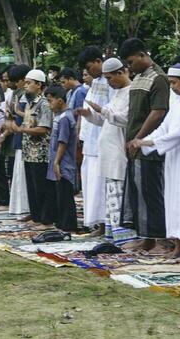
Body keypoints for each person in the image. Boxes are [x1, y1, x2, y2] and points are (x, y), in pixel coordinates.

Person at [133, 59, 180, 261]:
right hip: (174, 158)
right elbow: (165, 128)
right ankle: (178, 246)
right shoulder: (176, 102)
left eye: (175, 82)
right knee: (175, 202)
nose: (172, 87)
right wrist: (145, 140)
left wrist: (147, 144)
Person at [120, 39, 171, 249]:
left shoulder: (158, 78)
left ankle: (159, 238)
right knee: (138, 192)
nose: (129, 67)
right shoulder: (139, 77)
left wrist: (138, 139)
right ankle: (146, 236)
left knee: (151, 191)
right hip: (134, 143)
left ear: (142, 55)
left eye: (131, 62)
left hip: (149, 144)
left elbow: (158, 112)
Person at [79, 58, 132, 235]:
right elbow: (103, 120)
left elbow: (124, 119)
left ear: (121, 72)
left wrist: (101, 110)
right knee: (110, 197)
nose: (108, 82)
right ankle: (113, 234)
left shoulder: (131, 92)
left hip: (118, 153)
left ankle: (124, 235)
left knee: (120, 197)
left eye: (110, 78)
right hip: (107, 154)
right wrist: (88, 114)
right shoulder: (117, 93)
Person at [10, 69, 54, 225]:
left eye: (29, 83)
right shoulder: (29, 103)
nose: (25, 86)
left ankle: (45, 219)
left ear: (39, 85)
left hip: (41, 152)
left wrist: (21, 129)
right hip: (29, 151)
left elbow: (43, 128)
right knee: (31, 186)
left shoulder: (44, 104)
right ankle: (36, 216)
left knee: (41, 187)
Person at [77, 48, 110, 232]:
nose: (88, 73)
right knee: (90, 186)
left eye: (89, 67)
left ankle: (105, 225)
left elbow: (109, 112)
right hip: (90, 142)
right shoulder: (94, 83)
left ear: (98, 61)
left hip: (103, 142)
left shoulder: (110, 81)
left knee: (101, 186)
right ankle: (97, 224)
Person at [45, 86, 79, 233]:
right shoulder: (60, 115)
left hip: (64, 163)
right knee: (60, 194)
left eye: (50, 101)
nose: (49, 104)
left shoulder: (65, 117)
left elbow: (63, 142)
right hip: (58, 161)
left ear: (60, 100)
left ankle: (68, 225)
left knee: (65, 195)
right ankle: (61, 223)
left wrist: (57, 162)